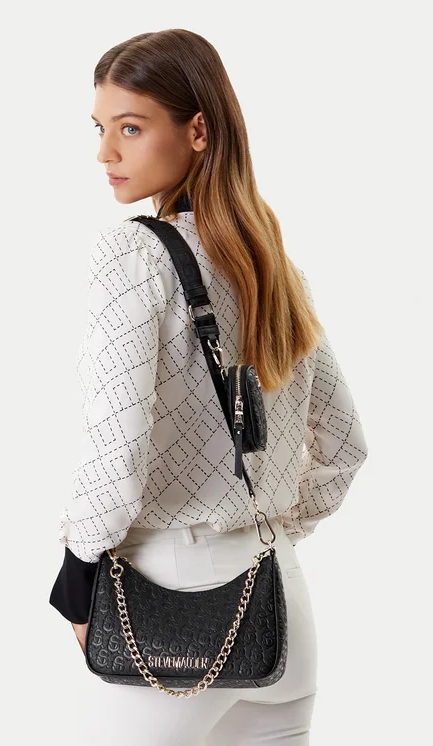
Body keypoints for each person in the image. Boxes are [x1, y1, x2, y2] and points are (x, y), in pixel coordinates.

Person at [49, 28, 369, 745]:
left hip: (172, 606)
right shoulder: (271, 266)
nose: (106, 153)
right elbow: (345, 446)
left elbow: (115, 453)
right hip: (281, 606)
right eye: (101, 129)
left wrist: (74, 578)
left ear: (198, 130)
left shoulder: (134, 254)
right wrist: (262, 531)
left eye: (131, 128)